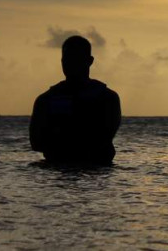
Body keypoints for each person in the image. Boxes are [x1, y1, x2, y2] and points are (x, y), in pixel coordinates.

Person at [30, 35, 121, 165]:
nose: (71, 64)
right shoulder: (46, 100)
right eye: (67, 59)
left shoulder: (107, 98)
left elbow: (103, 138)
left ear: (89, 61)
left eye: (76, 59)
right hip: (57, 169)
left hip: (94, 170)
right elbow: (36, 143)